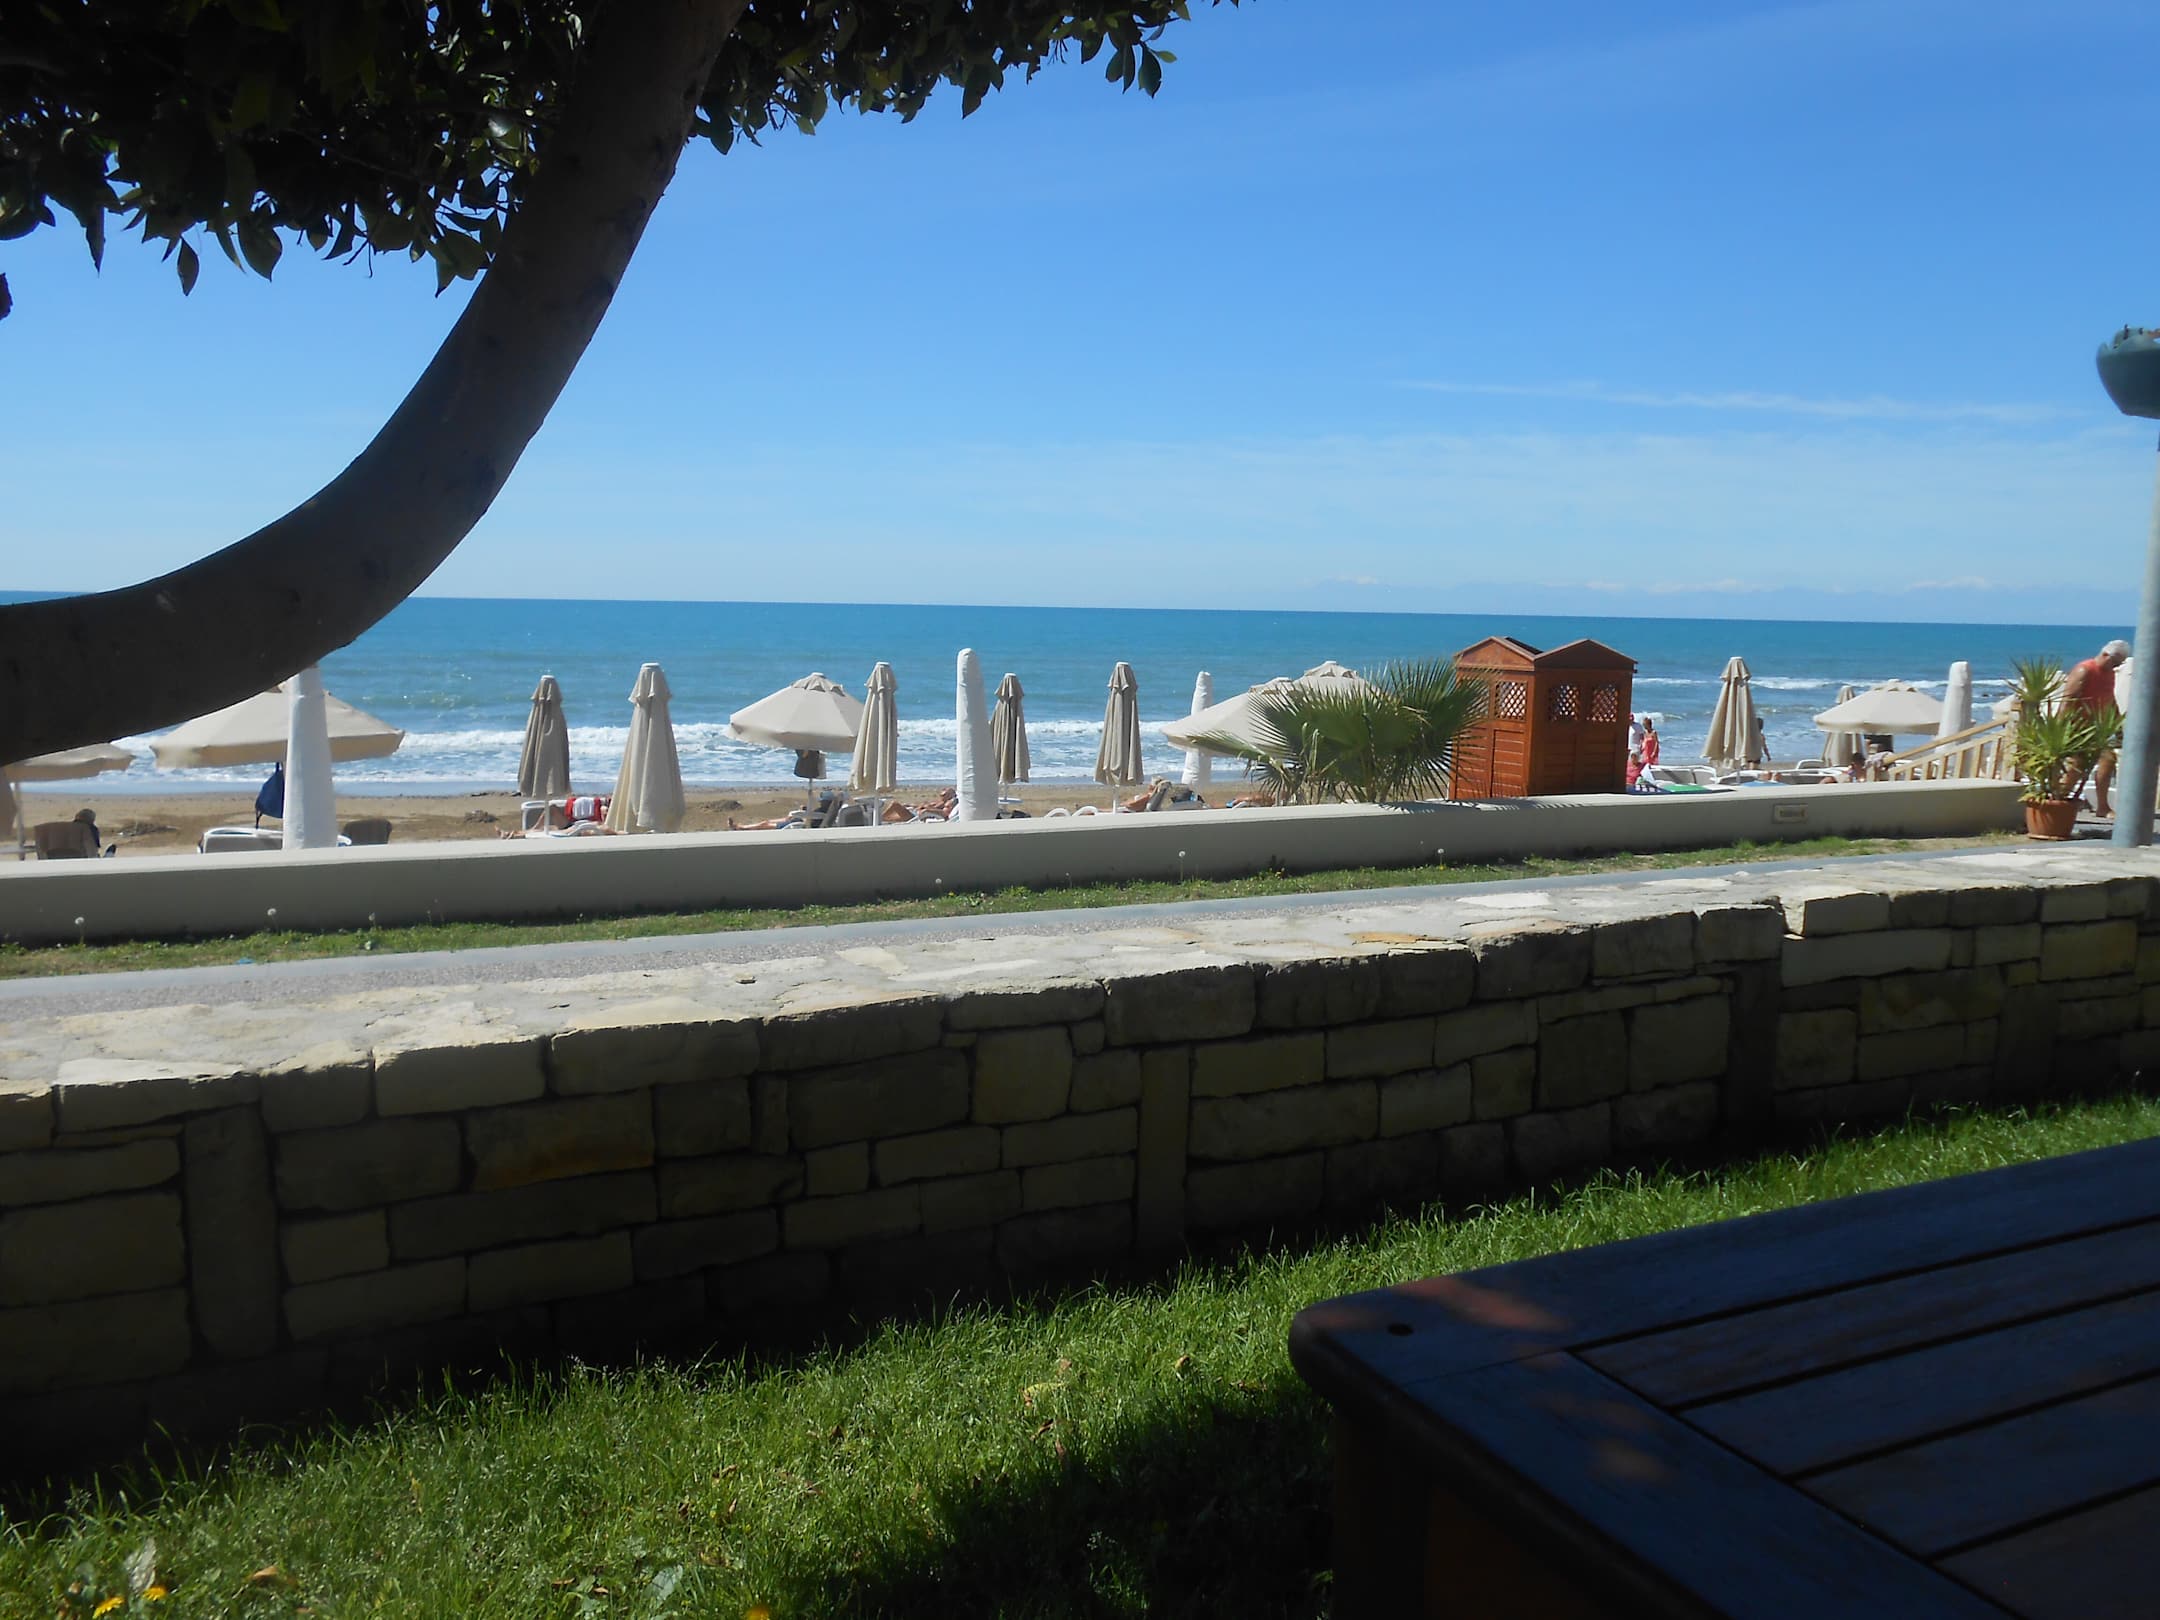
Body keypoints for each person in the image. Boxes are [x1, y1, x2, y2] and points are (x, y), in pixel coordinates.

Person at [2063, 638, 2131, 817]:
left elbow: (2110, 698)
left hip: (2099, 728)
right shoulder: (2085, 670)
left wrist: (2117, 724)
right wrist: (2065, 728)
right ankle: (2060, 800)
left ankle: (2102, 806)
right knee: (2076, 766)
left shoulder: (2109, 673)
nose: (2117, 666)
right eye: (2116, 662)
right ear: (2106, 655)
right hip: (2079, 727)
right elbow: (2068, 700)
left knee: (2107, 761)